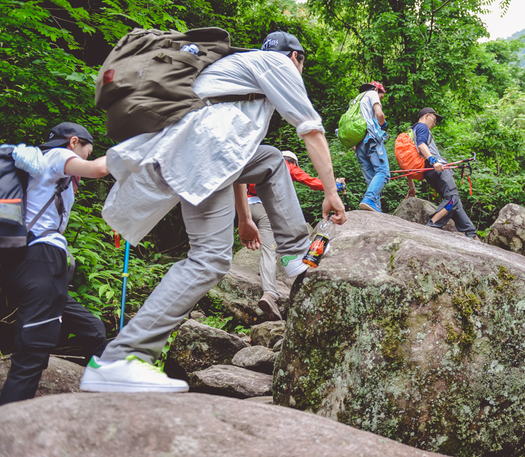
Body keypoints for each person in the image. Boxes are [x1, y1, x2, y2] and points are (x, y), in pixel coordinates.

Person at [80, 31, 346, 393]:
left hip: (205, 150)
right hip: (205, 150)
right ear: (296, 57)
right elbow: (310, 129)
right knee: (208, 259)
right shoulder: (278, 64)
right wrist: (330, 192)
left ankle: (293, 254)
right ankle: (121, 358)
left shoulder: (241, 68)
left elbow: (240, 157)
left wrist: (245, 217)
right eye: (302, 63)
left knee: (270, 160)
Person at [0, 123, 109, 404]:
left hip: (24, 264)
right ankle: (10, 423)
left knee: (94, 329)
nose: (85, 158)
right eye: (86, 151)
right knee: (31, 356)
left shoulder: (35, 164)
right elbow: (98, 169)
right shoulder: (58, 155)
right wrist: (136, 147)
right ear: (73, 142)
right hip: (41, 260)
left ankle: (102, 396)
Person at [237, 150, 345, 320]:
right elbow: (310, 181)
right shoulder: (285, 164)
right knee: (270, 249)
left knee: (269, 243)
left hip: (246, 207)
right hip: (263, 209)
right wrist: (336, 187)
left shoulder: (259, 163)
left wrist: (244, 217)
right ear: (293, 162)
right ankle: (270, 292)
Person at [412, 108, 477, 238]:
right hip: (436, 168)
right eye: (434, 119)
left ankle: (471, 232)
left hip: (430, 171)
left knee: (455, 202)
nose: (435, 123)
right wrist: (434, 161)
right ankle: (431, 225)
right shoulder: (422, 127)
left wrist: (411, 186)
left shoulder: (412, 130)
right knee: (452, 198)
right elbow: (421, 145)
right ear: (427, 115)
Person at [354, 81, 390, 213]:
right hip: (371, 138)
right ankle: (369, 199)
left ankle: (375, 208)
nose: (381, 99)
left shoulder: (356, 100)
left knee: (372, 177)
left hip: (358, 143)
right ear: (376, 89)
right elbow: (379, 114)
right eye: (381, 96)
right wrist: (383, 124)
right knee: (383, 172)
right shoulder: (372, 94)